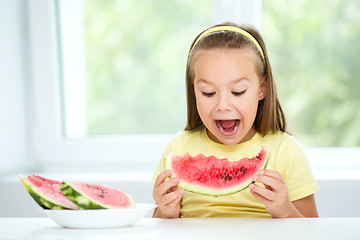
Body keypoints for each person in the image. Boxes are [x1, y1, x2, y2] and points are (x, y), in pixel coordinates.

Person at [152, 22, 319, 218]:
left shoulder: (286, 151)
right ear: (194, 91)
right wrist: (165, 213)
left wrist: (285, 211)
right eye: (208, 92)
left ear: (262, 88)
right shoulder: (178, 149)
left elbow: (311, 230)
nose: (223, 105)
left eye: (238, 91)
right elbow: (159, 228)